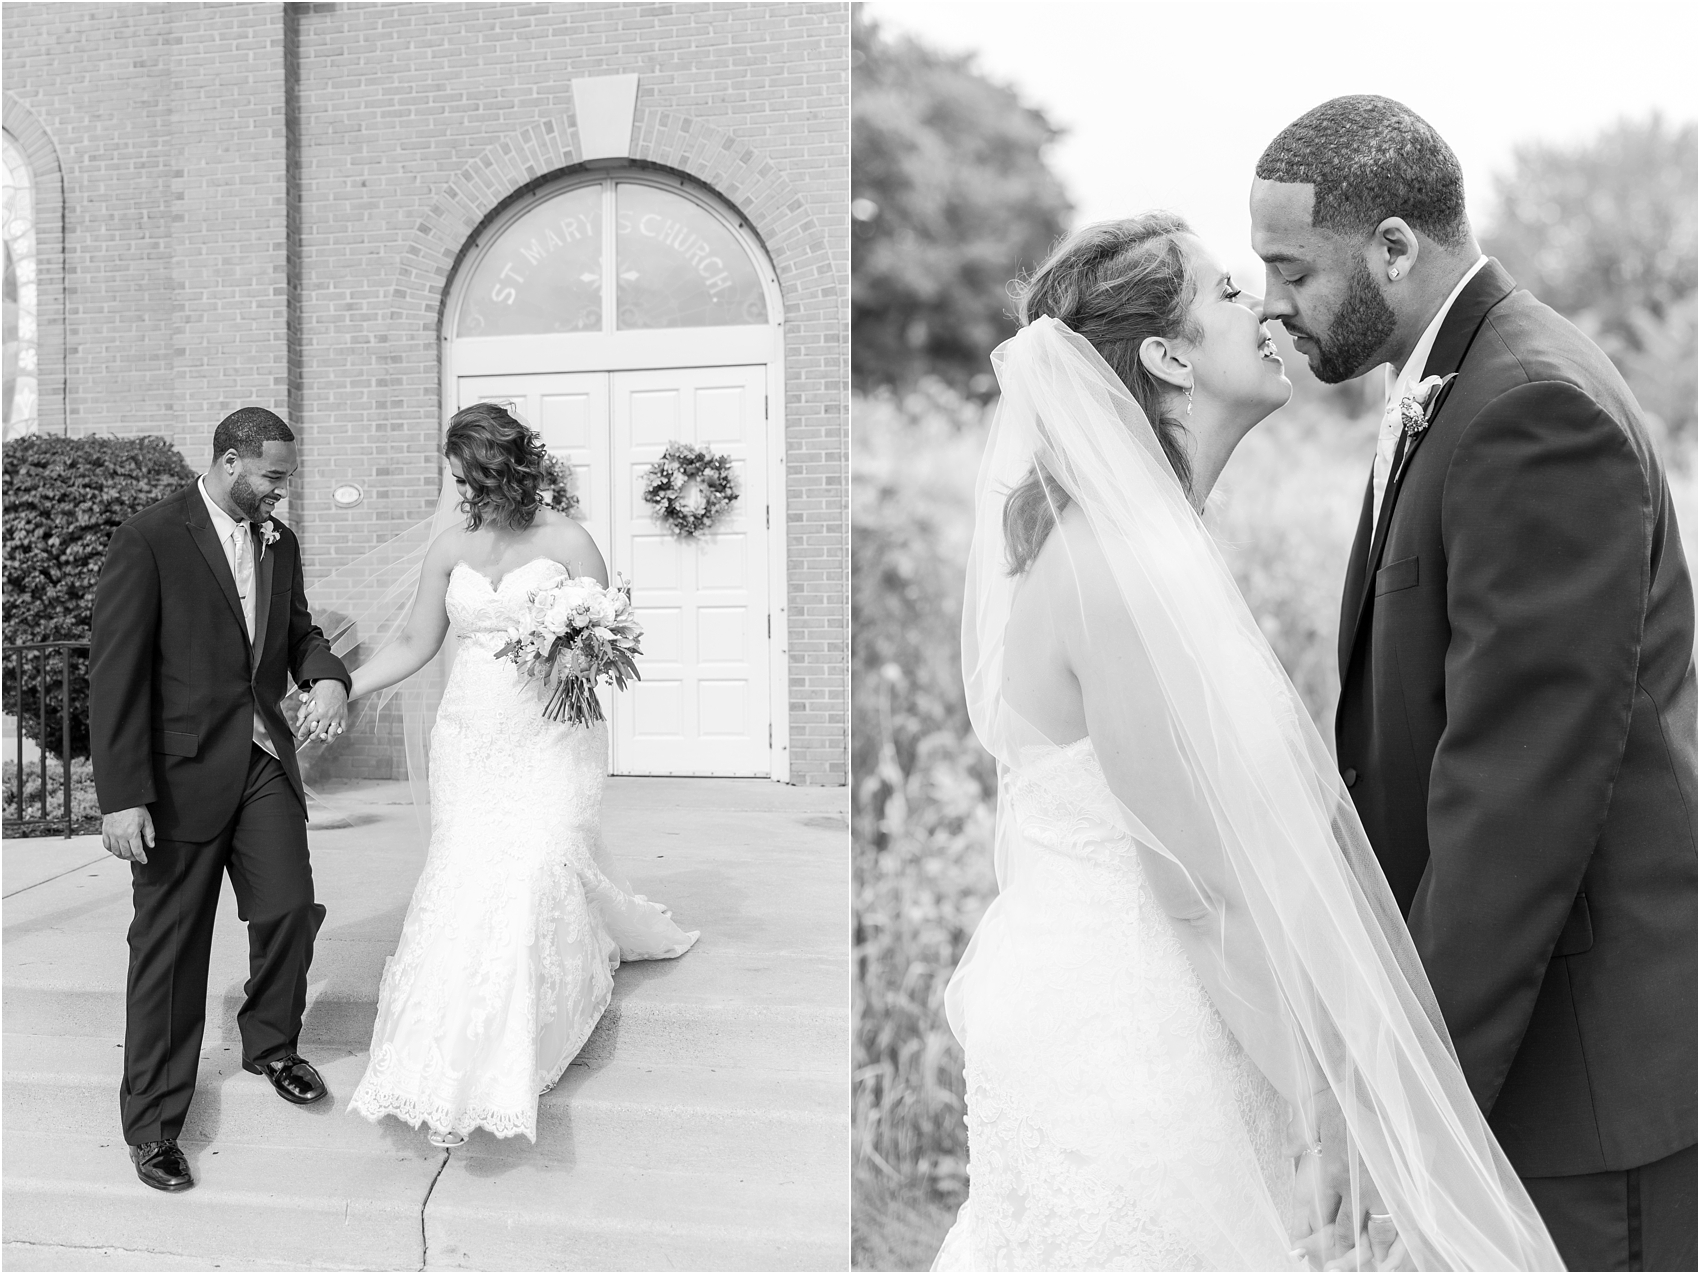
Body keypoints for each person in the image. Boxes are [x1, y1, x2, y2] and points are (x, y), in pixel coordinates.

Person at [934, 216, 1560, 1270]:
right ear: (1168, 356)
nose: (1267, 308)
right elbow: (1196, 881)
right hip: (1131, 1043)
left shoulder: (1157, 540)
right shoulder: (1116, 568)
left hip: (1201, 1013)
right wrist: (1327, 1106)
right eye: (1229, 292)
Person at [1250, 95, 1696, 1272]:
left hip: (1578, 1080)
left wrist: (1414, 1107)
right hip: (1532, 1061)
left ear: (1392, 249)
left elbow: (1515, 800)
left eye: (1290, 269)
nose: (1271, 302)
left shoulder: (1527, 407)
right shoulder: (1457, 383)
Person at [338, 402, 698, 1147]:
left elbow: (611, 635)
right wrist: (347, 686)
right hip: (469, 740)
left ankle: (518, 1049)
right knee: (465, 882)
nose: (462, 491)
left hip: (551, 736)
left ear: (505, 468)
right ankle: (443, 1066)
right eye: (457, 478)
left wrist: (577, 649)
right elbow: (413, 641)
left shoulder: (568, 540)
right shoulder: (449, 548)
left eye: (470, 476)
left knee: (535, 870)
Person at [90, 406, 352, 1192]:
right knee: (169, 955)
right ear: (231, 462)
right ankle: (154, 1127)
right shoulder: (150, 538)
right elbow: (116, 675)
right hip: (173, 780)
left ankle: (271, 1041)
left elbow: (297, 633)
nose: (282, 492)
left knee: (288, 907)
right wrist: (122, 797)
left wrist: (329, 674)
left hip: (263, 758)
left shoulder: (281, 541)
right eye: (273, 477)